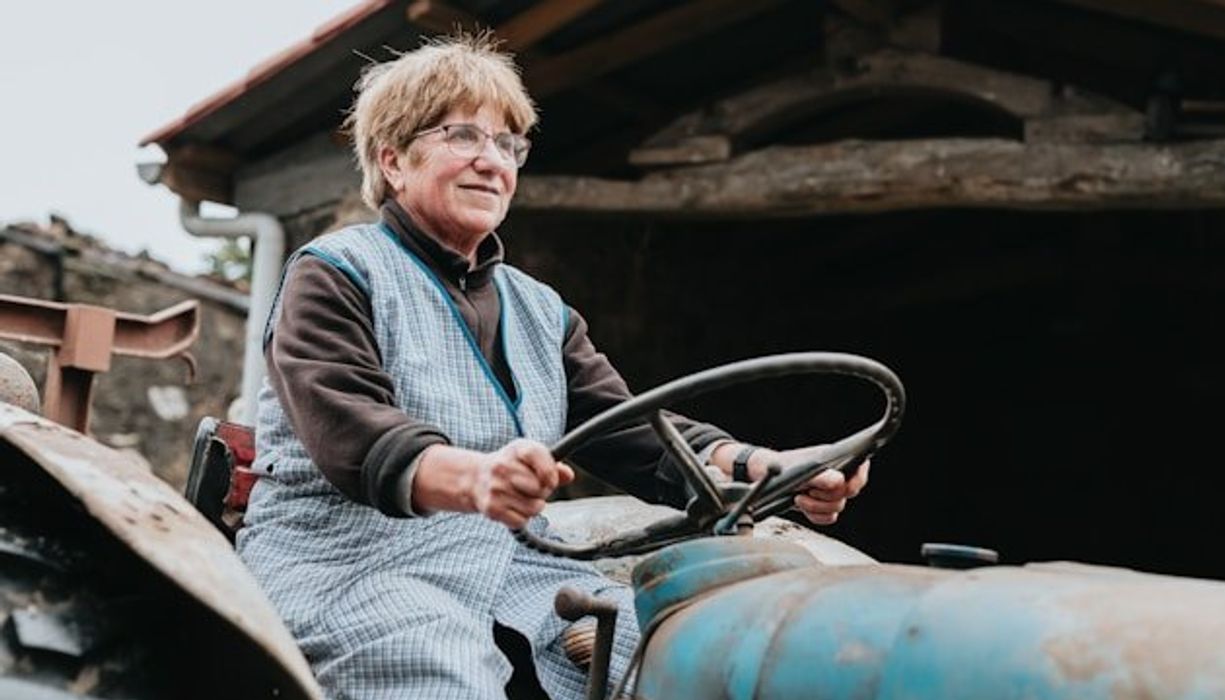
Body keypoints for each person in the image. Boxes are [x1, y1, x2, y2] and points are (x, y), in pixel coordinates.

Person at [237, 34, 869, 700]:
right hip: (355, 567)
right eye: (462, 137)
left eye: (508, 145)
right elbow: (351, 432)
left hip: (519, 572)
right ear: (393, 161)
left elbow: (630, 433)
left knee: (670, 652)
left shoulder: (539, 310)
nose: (492, 162)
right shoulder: (336, 273)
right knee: (435, 668)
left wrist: (763, 468)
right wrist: (476, 478)